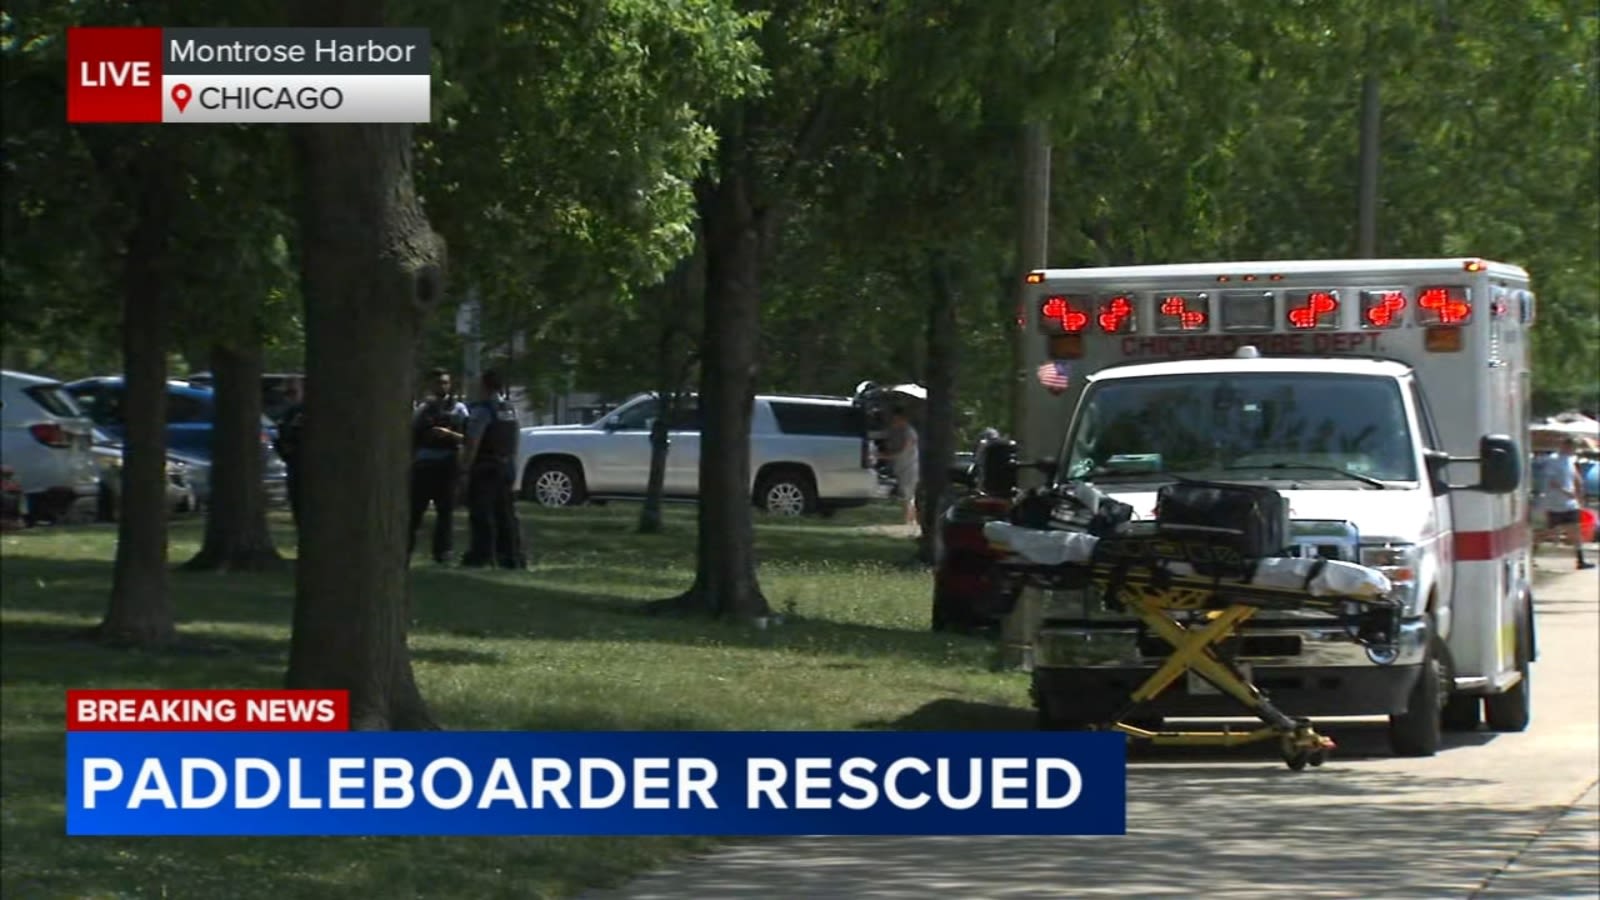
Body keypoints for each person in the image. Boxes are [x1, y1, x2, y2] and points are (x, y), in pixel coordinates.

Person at [458, 369, 525, 569]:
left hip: (486, 468)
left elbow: (473, 442)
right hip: (505, 466)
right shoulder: (509, 409)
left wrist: (464, 469)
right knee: (506, 514)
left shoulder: (482, 410)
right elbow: (514, 439)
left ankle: (481, 556)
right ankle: (511, 557)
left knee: (481, 513)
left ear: (484, 386)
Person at [409, 368, 469, 564]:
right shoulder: (422, 410)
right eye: (438, 383)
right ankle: (405, 550)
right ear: (431, 385)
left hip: (448, 466)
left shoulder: (459, 409)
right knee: (416, 511)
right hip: (424, 467)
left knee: (445, 512)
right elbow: (412, 438)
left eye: (445, 382)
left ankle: (443, 554)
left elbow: (468, 437)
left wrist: (448, 434)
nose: (442, 386)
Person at [1538, 437, 1594, 570]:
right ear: (1563, 446)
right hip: (1556, 502)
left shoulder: (1570, 460)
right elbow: (1551, 481)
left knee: (1575, 530)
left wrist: (1579, 489)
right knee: (1550, 531)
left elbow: (1574, 476)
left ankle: (1580, 560)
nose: (1572, 450)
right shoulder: (1553, 461)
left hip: (1569, 503)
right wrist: (1565, 491)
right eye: (1570, 447)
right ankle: (1532, 547)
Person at [272, 377, 306, 527]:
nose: (288, 397)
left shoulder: (303, 412)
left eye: (292, 392)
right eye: (286, 393)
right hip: (292, 463)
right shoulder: (287, 413)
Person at [881, 407, 920, 531]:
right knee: (905, 493)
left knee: (909, 494)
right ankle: (909, 520)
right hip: (901, 466)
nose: (894, 422)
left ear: (903, 419)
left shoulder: (909, 432)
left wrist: (884, 456)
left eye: (897, 419)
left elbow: (903, 451)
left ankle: (911, 520)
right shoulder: (897, 431)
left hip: (910, 466)